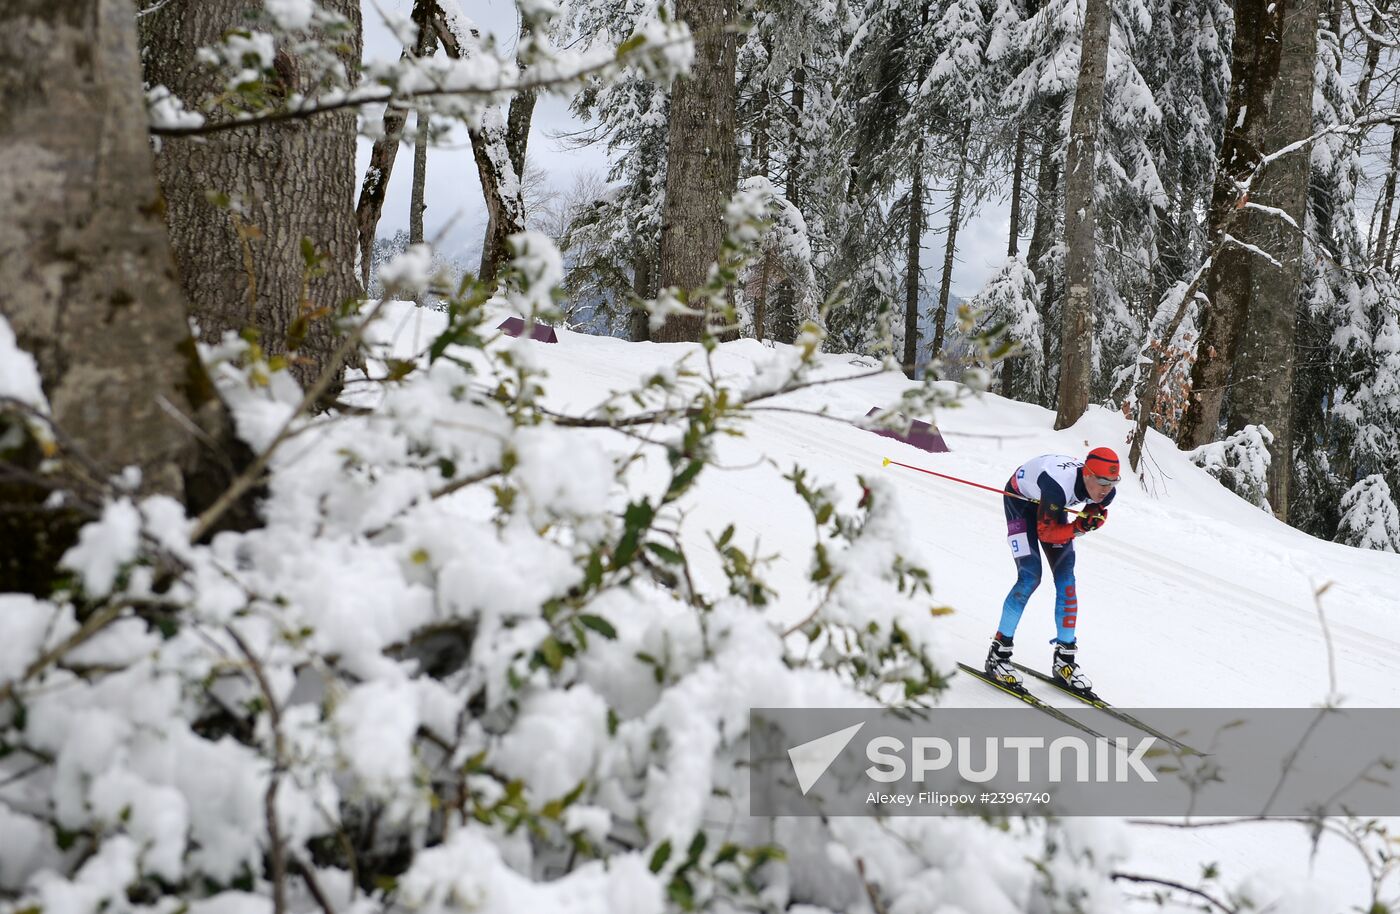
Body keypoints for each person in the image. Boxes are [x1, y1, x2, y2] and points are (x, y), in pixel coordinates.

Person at [983, 447, 1120, 694]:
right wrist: (1079, 527)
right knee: (1030, 576)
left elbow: (1089, 514)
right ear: (1087, 474)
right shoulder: (1058, 485)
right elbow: (1047, 532)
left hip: (1052, 507)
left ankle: (1064, 659)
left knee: (1067, 580)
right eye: (1101, 482)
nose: (1106, 489)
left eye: (1112, 483)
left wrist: (1090, 520)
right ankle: (998, 654)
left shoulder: (1106, 492)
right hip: (1021, 502)